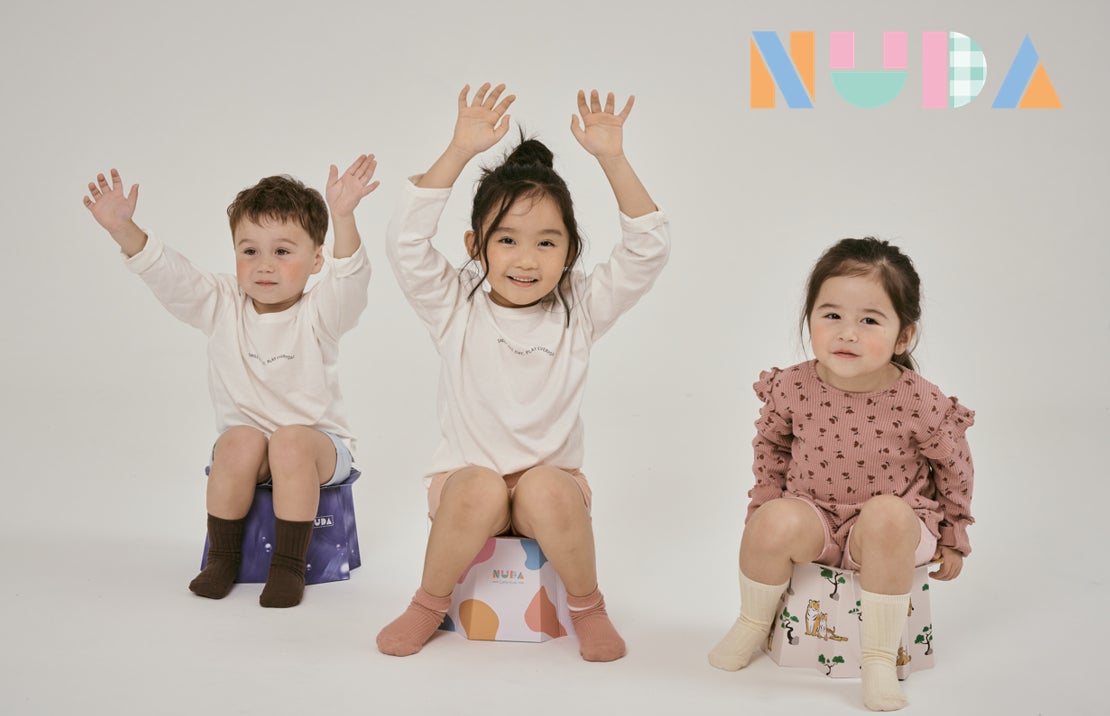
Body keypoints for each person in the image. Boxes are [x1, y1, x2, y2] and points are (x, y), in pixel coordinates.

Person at [376, 83, 669, 661]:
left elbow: (647, 250)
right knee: (478, 486)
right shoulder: (455, 305)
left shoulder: (579, 308)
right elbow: (405, 241)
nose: (526, 259)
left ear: (570, 252)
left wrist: (613, 160)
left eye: (546, 243)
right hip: (466, 488)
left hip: (550, 493)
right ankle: (427, 603)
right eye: (506, 240)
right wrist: (459, 150)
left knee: (547, 486)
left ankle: (588, 607)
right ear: (476, 245)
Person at [82, 156, 379, 607]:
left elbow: (351, 279)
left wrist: (343, 217)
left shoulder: (322, 311)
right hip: (251, 453)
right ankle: (222, 558)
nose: (264, 265)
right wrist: (123, 228)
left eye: (282, 252)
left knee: (290, 440)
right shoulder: (221, 302)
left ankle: (288, 565)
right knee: (238, 439)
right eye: (249, 251)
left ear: (316, 259)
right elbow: (169, 274)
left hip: (319, 449)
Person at [708, 238, 975, 711]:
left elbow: (954, 467)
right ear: (809, 318)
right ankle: (752, 621)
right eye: (832, 315)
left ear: (903, 337)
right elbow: (772, 446)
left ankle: (879, 658)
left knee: (887, 514)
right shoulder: (794, 385)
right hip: (817, 518)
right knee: (773, 518)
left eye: (869, 321)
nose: (847, 333)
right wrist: (765, 506)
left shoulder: (919, 399)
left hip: (894, 529)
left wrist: (953, 534)